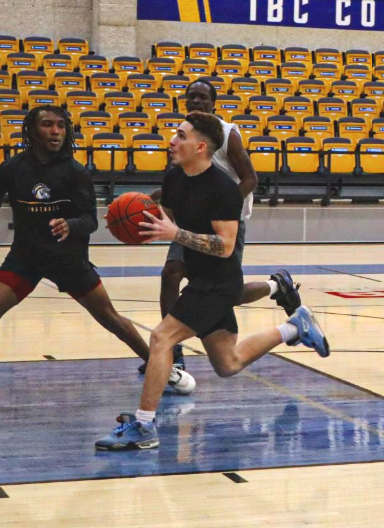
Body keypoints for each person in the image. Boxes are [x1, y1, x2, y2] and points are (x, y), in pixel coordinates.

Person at [95, 113, 329, 450]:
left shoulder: (223, 190)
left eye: (180, 135)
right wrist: (136, 221)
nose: (172, 141)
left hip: (216, 283)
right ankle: (294, 327)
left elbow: (225, 246)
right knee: (227, 363)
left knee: (162, 338)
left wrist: (176, 234)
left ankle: (144, 426)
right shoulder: (175, 177)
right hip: (201, 277)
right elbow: (171, 218)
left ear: (200, 147)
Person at [0, 105, 194, 410]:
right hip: (26, 257)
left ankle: (164, 369)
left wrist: (69, 224)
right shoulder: (12, 169)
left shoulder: (76, 172)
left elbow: (90, 220)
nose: (55, 131)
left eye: (61, 125)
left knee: (112, 320)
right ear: (32, 131)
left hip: (68, 259)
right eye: (48, 125)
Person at [137, 79, 302, 375]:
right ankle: (172, 350)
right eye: (192, 97)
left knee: (222, 292)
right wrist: (154, 200)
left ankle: (276, 286)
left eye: (202, 97)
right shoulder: (183, 135)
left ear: (214, 103)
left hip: (226, 223)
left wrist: (222, 208)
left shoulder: (228, 135)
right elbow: (186, 181)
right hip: (190, 223)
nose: (197, 101)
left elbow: (250, 179)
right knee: (170, 273)